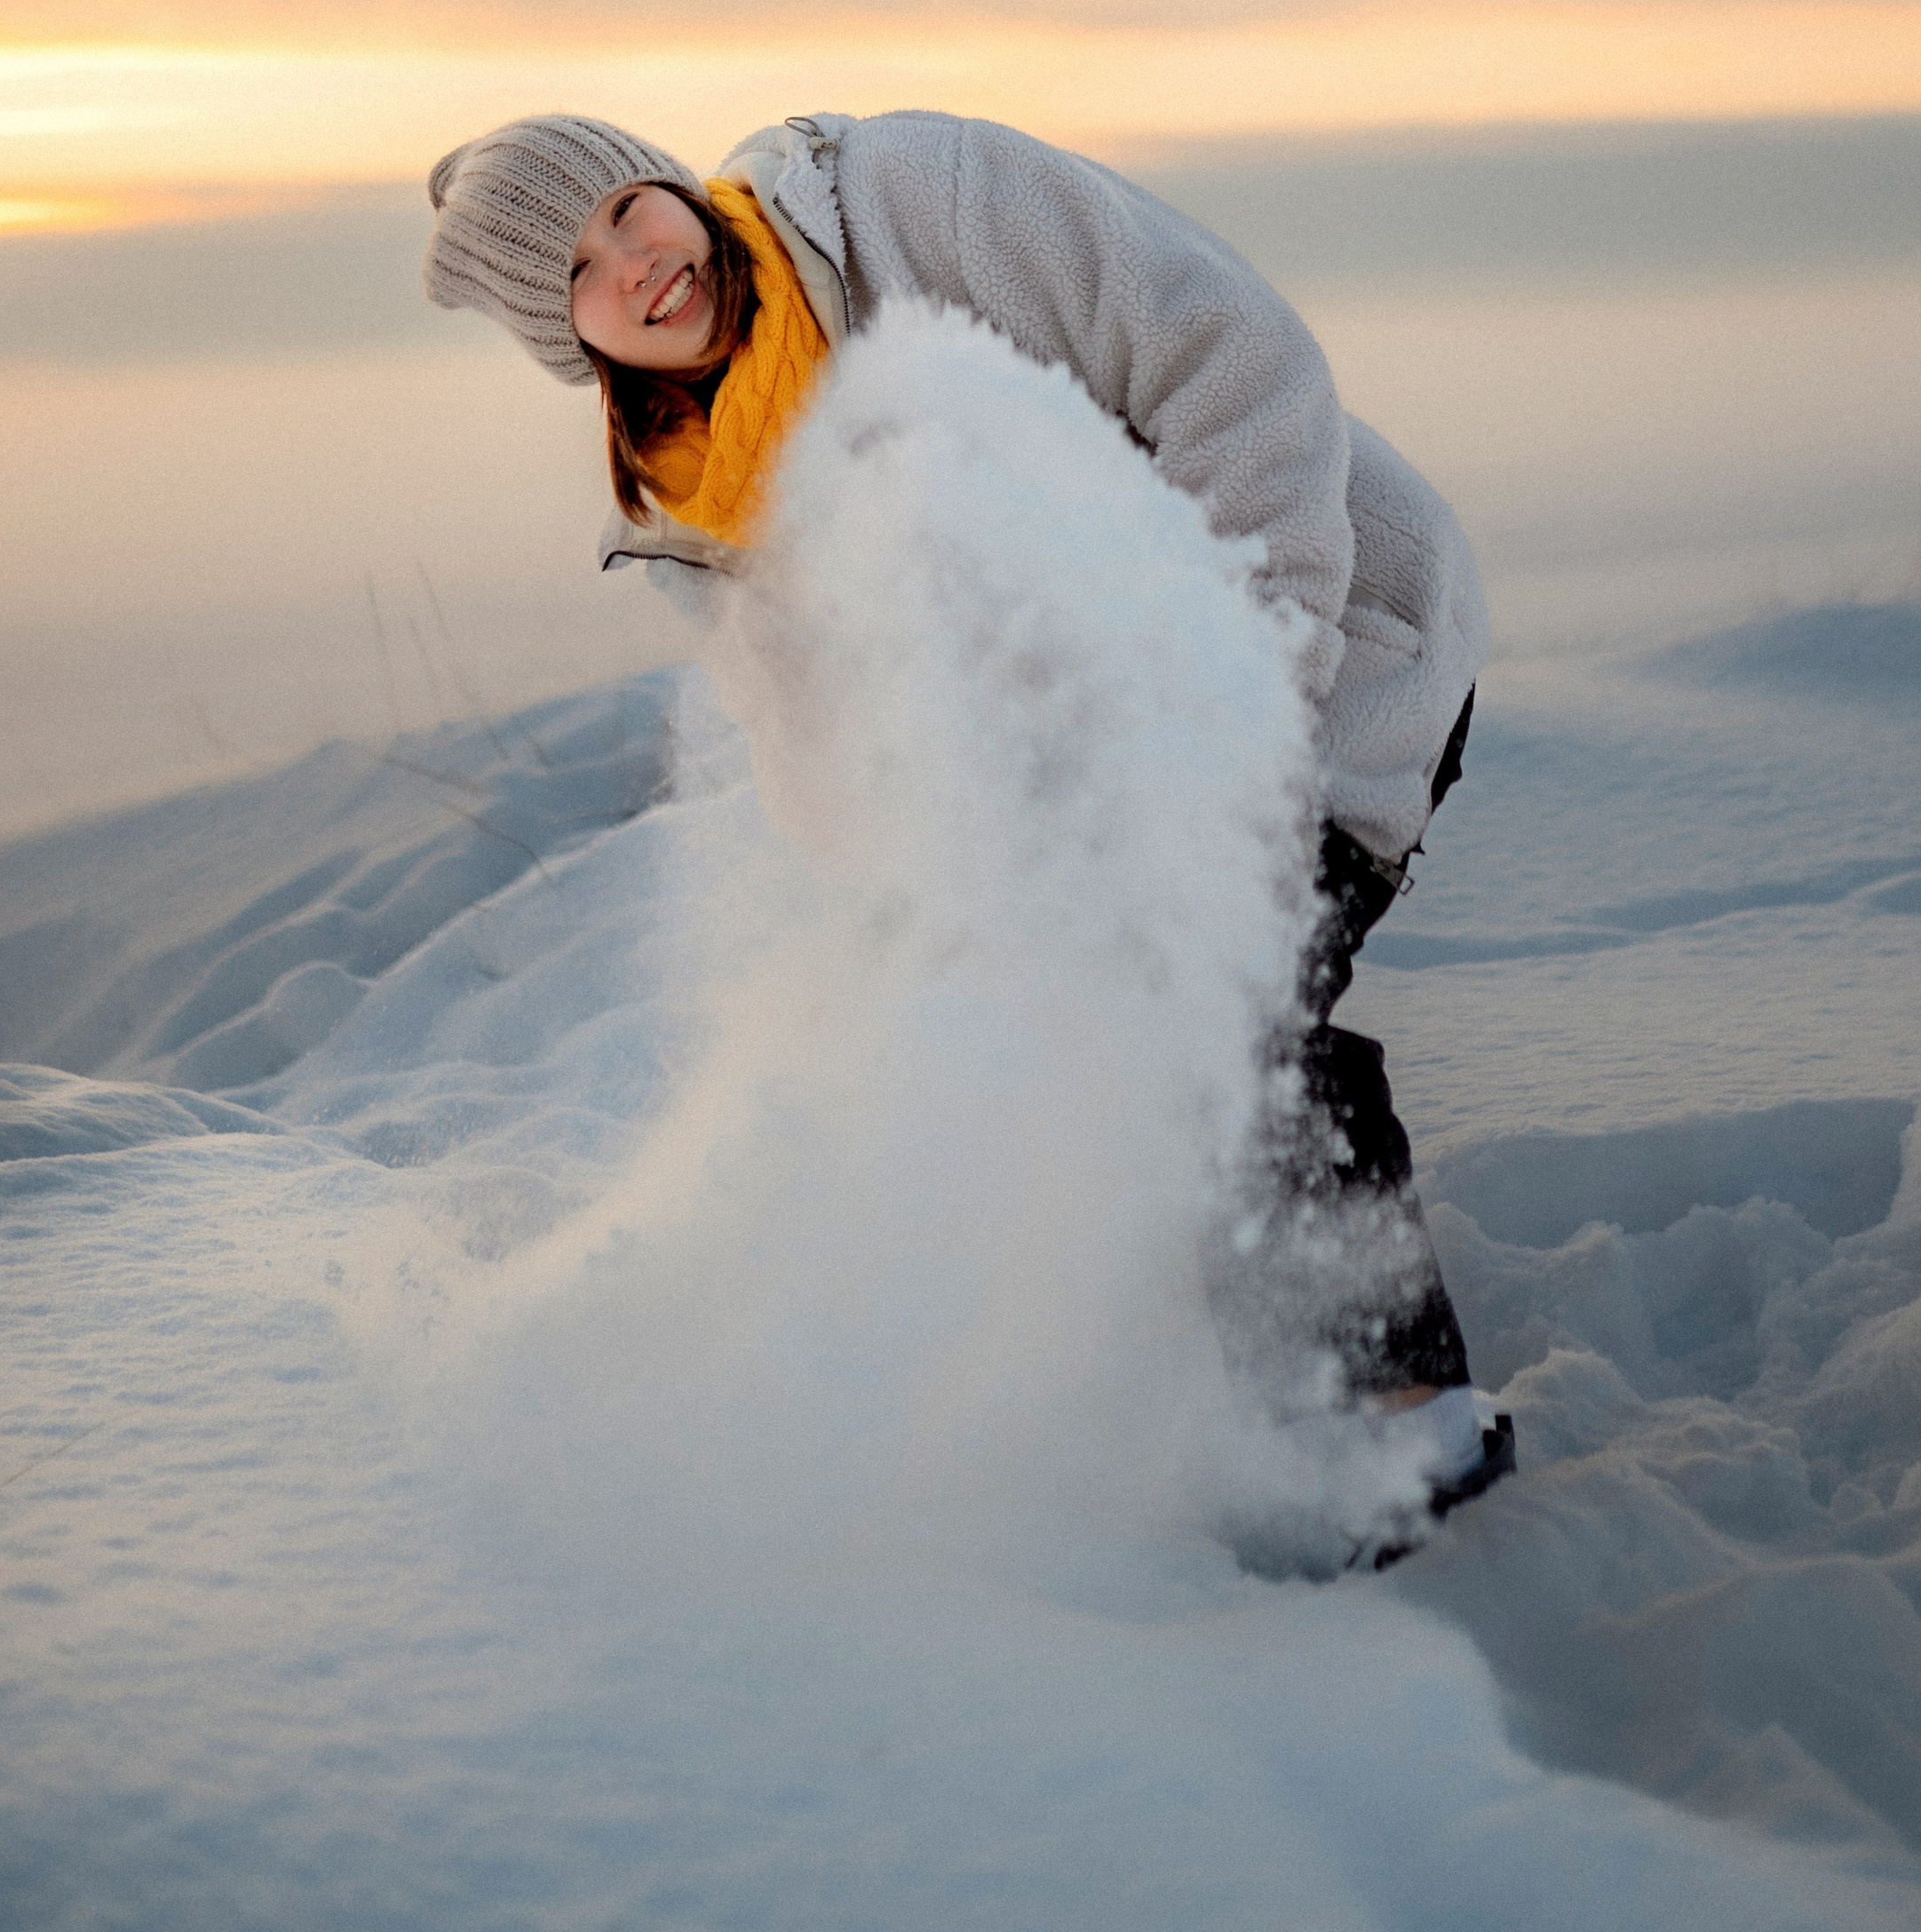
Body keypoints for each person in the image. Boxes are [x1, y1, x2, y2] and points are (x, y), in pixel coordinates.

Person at [423, 107, 1512, 1547]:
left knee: (1214, 1026)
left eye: (629, 206)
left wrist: (1230, 709)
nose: (636, 262)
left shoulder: (908, 203)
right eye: (578, 269)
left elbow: (1237, 363)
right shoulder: (697, 494)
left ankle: (1404, 1431)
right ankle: (1213, 1412)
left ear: (673, 182)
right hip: (1080, 790)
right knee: (1062, 1066)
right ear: (571, 343)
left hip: (1323, 663)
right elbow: (814, 742)